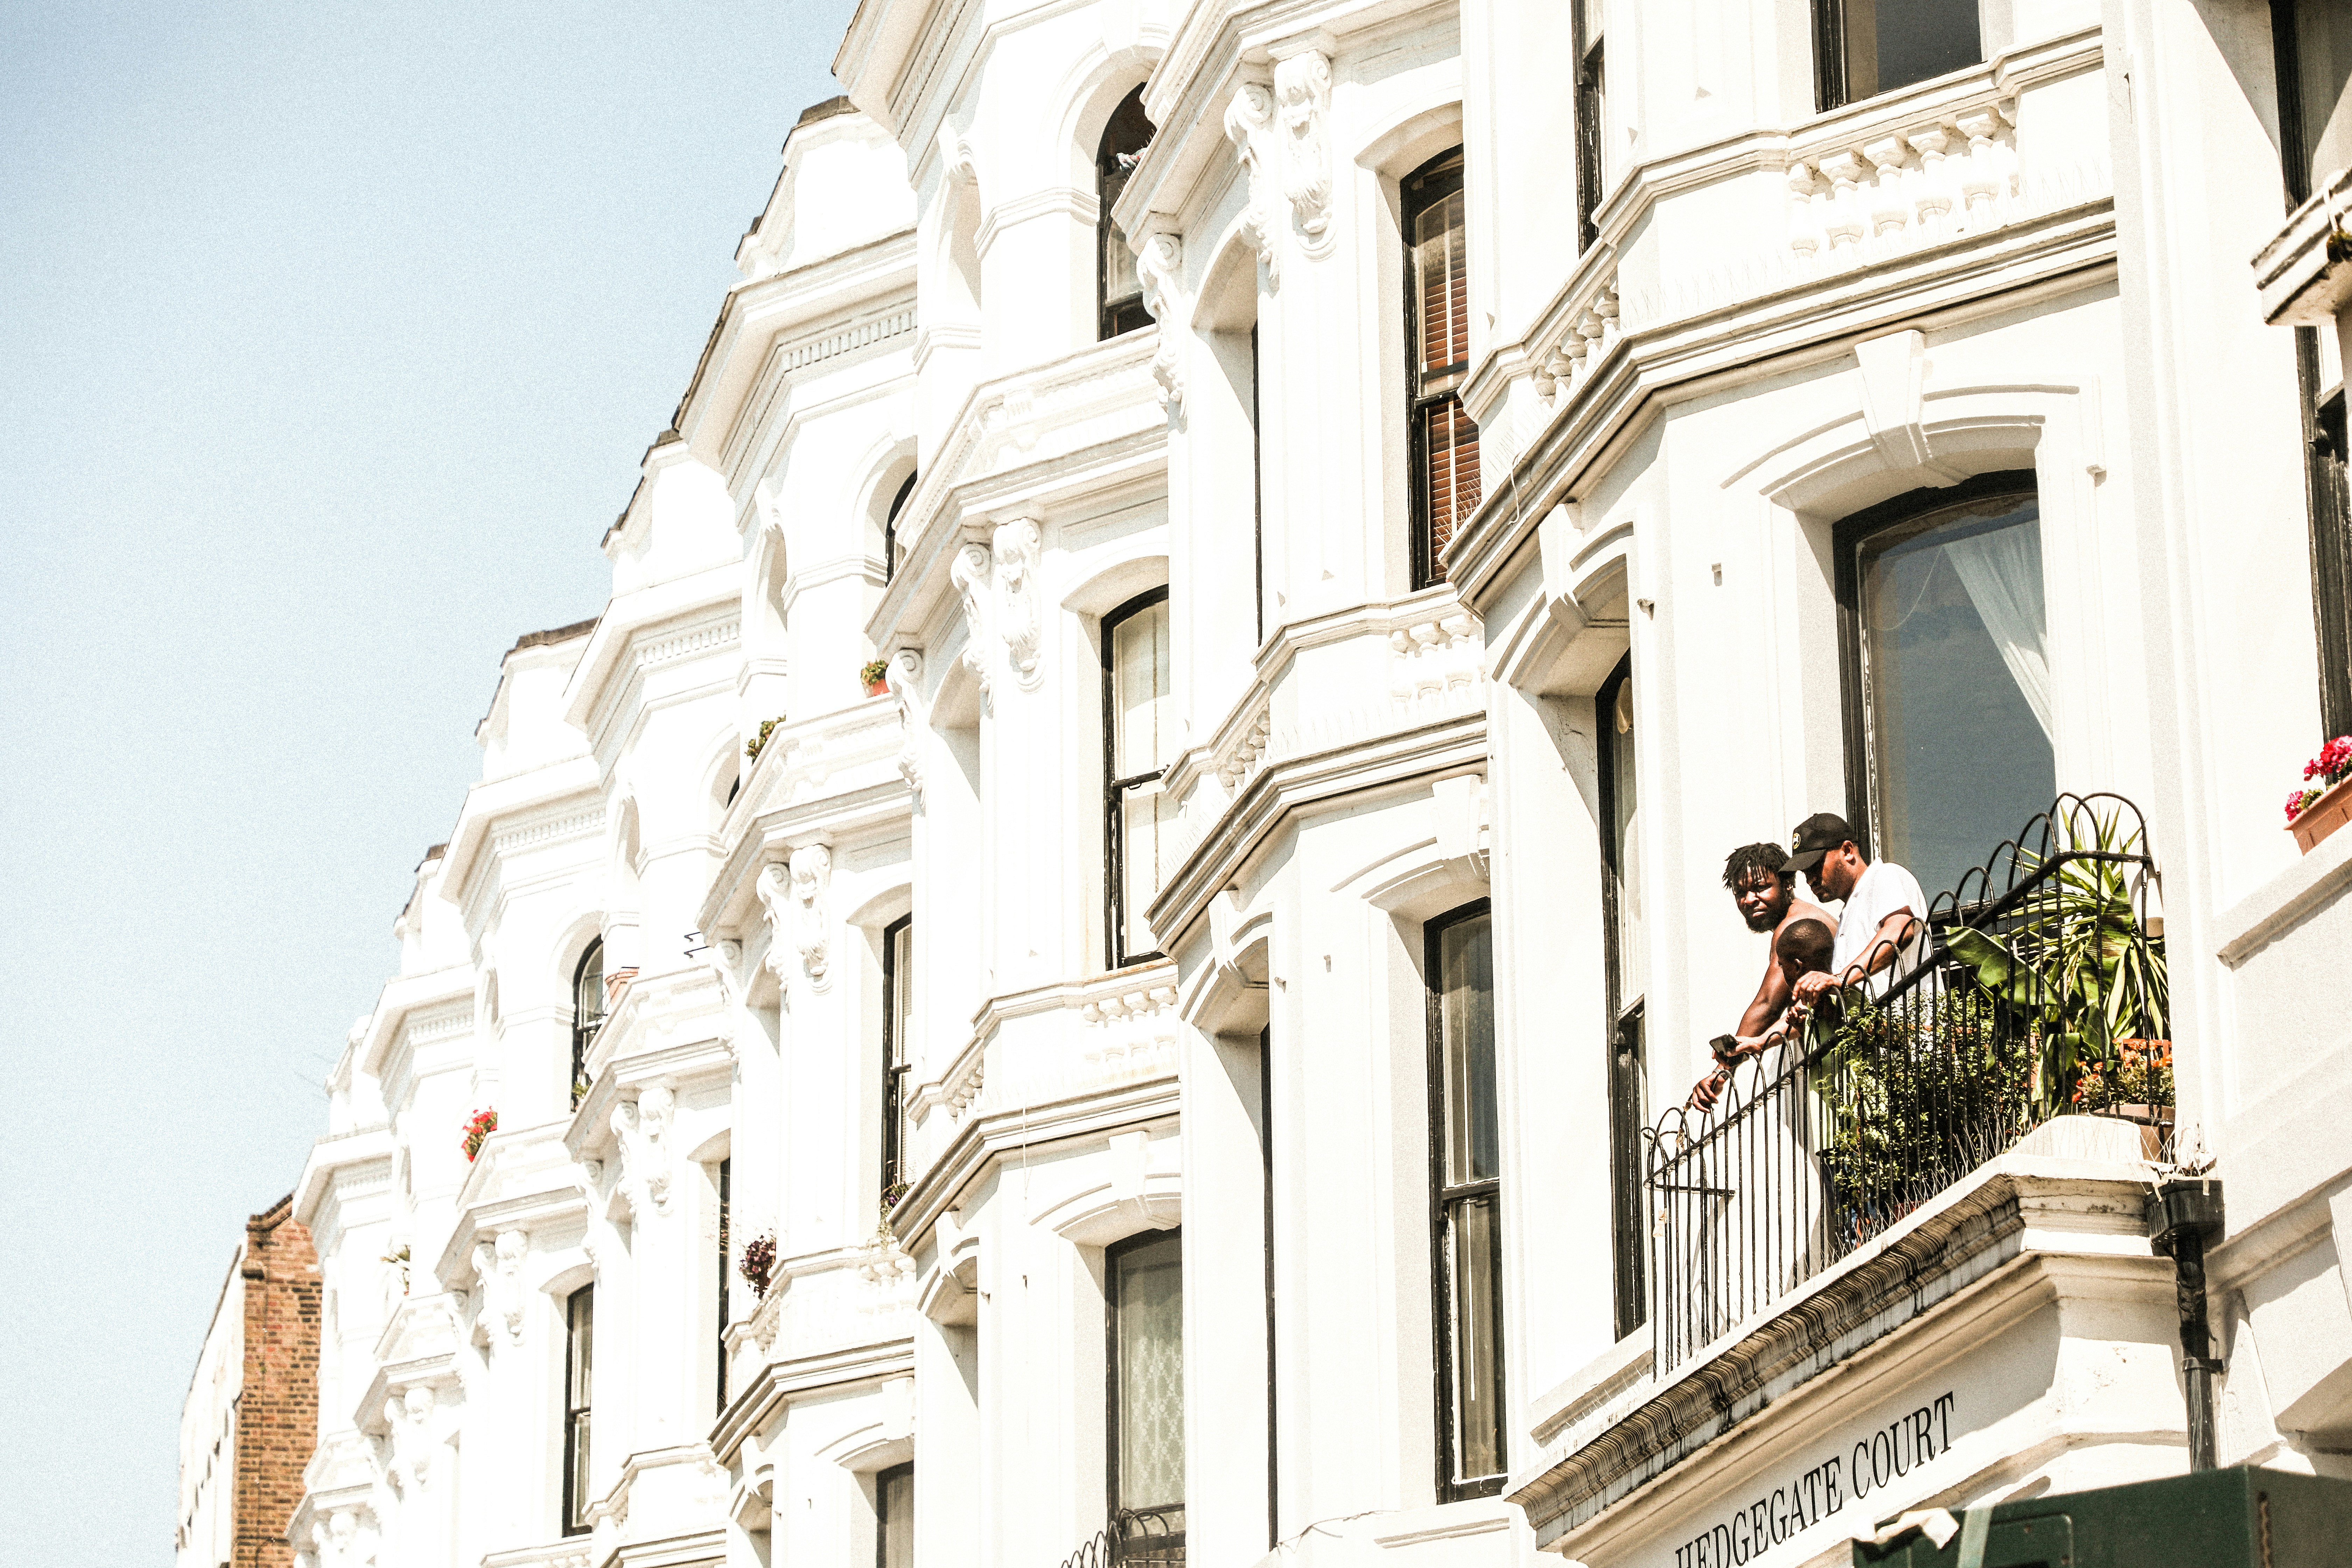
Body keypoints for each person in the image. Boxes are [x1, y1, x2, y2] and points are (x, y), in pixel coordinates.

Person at [1689, 844, 1833, 1111]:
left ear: (1788, 884)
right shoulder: (1793, 921)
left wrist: (1722, 1072)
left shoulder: (1794, 925)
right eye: (1741, 893)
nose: (1749, 899)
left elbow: (1768, 1005)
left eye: (1761, 888)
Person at [1784, 812, 1927, 1012]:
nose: (1810, 880)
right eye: (1805, 873)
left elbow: (1900, 930)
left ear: (1848, 851)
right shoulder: (1849, 913)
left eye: (1815, 867)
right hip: (1879, 1030)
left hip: (1912, 1029)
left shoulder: (1884, 875)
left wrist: (1841, 978)